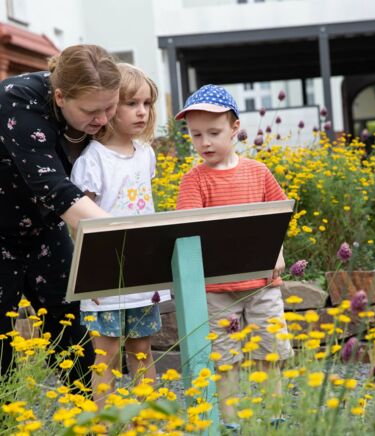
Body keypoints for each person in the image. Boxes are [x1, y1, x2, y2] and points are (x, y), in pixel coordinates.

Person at [0, 44, 121, 387]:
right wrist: (113, 242)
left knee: (72, 328)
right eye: (90, 111)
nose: (102, 120)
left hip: (43, 227)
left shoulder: (99, 107)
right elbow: (53, 185)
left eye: (109, 107)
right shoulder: (17, 98)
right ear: (60, 96)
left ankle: (88, 419)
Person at [175, 84, 292, 427]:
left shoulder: (257, 172)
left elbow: (277, 218)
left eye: (213, 132)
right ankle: (231, 423)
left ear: (235, 127)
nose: (204, 142)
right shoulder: (193, 181)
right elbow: (188, 230)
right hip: (215, 288)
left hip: (262, 281)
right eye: (196, 135)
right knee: (224, 358)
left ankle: (274, 417)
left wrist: (277, 254)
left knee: (270, 352)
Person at [71, 63, 171, 408]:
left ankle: (150, 420)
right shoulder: (93, 161)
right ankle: (106, 423)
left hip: (142, 275)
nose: (142, 111)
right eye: (132, 103)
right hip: (106, 278)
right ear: (111, 107)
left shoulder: (147, 155)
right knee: (107, 356)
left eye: (146, 103)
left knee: (143, 351)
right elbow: (80, 224)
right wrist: (91, 277)